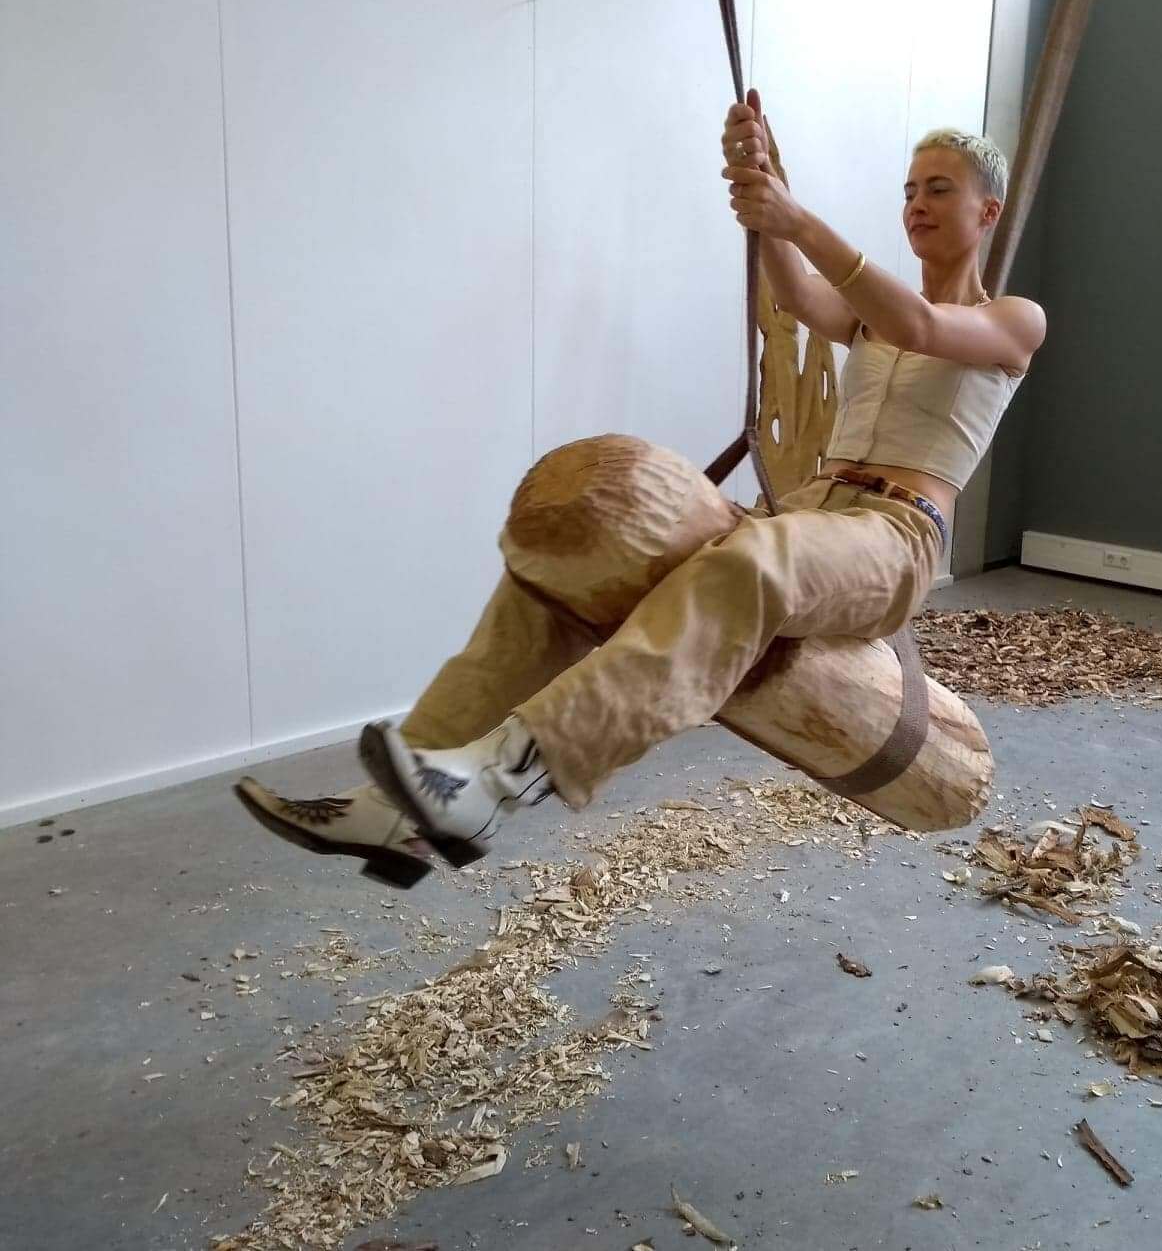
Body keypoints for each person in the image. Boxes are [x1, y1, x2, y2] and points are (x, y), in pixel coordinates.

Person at [236, 101, 1045, 888]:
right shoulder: (870, 316)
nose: (915, 204)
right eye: (909, 189)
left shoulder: (1013, 321)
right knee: (557, 577)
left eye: (938, 188)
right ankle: (399, 803)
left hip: (895, 534)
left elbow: (921, 329)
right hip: (810, 511)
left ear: (987, 211)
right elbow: (800, 295)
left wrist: (796, 219)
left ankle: (504, 776)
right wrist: (761, 186)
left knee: (753, 563)